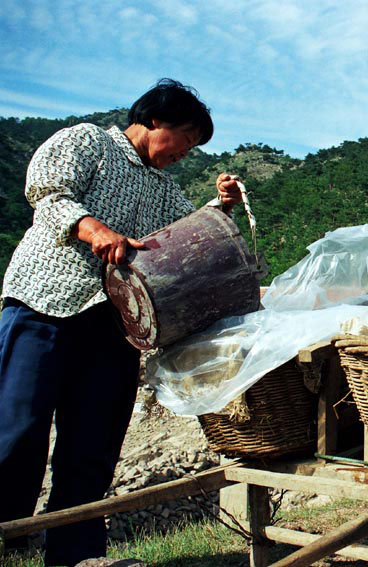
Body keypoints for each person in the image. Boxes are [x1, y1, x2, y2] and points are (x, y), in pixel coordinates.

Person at [0, 78, 243, 565]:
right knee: (16, 433)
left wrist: (222, 206)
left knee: (92, 447)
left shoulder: (164, 189)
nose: (186, 154)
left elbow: (185, 236)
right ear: (156, 120)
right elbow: (46, 192)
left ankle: (75, 556)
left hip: (113, 327)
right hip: (46, 305)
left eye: (195, 148)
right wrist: (94, 230)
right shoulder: (88, 141)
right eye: (186, 140)